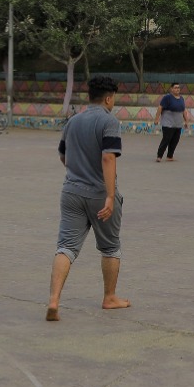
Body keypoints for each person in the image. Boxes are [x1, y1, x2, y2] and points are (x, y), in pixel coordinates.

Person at [46, 76, 129, 321]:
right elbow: (108, 158)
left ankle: (53, 301)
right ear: (108, 98)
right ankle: (110, 297)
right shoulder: (109, 121)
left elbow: (63, 156)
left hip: (71, 192)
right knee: (110, 247)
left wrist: (77, 173)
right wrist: (111, 196)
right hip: (99, 196)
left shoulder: (73, 121)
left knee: (66, 247)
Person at [153, 83, 188, 162]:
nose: (177, 89)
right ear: (171, 89)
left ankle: (170, 156)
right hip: (168, 123)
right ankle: (159, 156)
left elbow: (184, 111)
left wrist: (186, 121)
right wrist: (156, 119)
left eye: (178, 88)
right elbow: (160, 107)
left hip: (178, 124)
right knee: (166, 139)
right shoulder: (167, 98)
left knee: (175, 140)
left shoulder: (181, 99)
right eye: (175, 88)